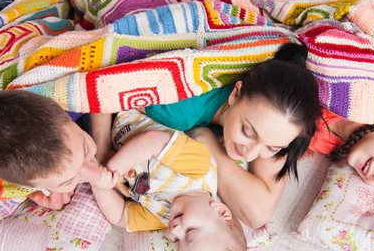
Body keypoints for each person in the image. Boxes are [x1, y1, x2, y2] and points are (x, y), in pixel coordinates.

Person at [136, 42, 323, 229]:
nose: (250, 155)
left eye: (272, 148)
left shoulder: (284, 119)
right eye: (248, 132)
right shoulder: (179, 110)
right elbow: (109, 93)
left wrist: (205, 140)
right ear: (235, 93)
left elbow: (257, 214)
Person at [90, 110, 247, 251]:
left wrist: (100, 184)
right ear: (220, 211)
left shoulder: (163, 216)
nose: (176, 230)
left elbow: (121, 216)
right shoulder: (198, 169)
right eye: (191, 231)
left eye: (177, 241)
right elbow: (150, 142)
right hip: (136, 107)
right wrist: (112, 169)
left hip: (107, 128)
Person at [0, 90, 103, 208]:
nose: (93, 171)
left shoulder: (62, 97)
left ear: (64, 113)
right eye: (68, 181)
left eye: (86, 150)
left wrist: (102, 149)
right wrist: (40, 191)